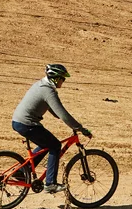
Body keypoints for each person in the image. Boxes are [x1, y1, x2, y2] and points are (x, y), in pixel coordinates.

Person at [11, 63, 92, 193]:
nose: (63, 81)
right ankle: (50, 184)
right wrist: (80, 128)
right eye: (62, 78)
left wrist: (63, 118)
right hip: (27, 123)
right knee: (54, 145)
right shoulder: (48, 91)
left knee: (45, 144)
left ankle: (22, 171)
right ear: (55, 78)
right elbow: (62, 114)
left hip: (18, 121)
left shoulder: (41, 85)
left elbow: (55, 111)